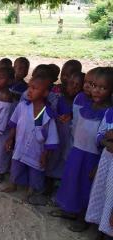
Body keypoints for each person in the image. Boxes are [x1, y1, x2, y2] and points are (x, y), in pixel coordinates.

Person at [53, 67, 113, 232]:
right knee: (72, 181)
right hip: (77, 151)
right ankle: (69, 210)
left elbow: (103, 138)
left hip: (93, 157)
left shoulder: (108, 112)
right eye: (93, 85)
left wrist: (98, 164)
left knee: (86, 187)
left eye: (102, 87)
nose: (95, 90)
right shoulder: (85, 105)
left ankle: (83, 218)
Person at [1, 70, 59, 195]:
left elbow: (51, 138)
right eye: (29, 87)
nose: (29, 91)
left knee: (35, 171)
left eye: (34, 88)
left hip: (37, 150)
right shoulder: (22, 106)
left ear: (45, 93)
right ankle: (13, 185)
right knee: (16, 166)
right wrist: (10, 138)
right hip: (20, 146)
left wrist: (45, 155)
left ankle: (31, 190)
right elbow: (14, 123)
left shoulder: (48, 115)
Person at [45, 72, 85, 194]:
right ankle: (48, 181)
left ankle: (59, 183)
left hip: (69, 138)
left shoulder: (80, 103)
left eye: (78, 85)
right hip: (55, 135)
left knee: (64, 158)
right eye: (71, 83)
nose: (73, 87)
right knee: (52, 157)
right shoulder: (58, 98)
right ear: (66, 82)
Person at [86, 104, 113, 240]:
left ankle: (108, 232)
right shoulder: (109, 113)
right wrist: (107, 142)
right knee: (102, 193)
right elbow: (99, 136)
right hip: (106, 161)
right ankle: (101, 229)